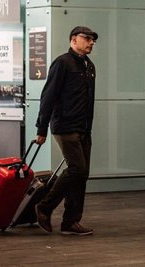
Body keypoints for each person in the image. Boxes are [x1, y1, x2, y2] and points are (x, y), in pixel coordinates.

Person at [34, 26, 98, 236]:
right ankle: (45, 206)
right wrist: (41, 127)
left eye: (93, 40)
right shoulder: (62, 63)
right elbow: (48, 96)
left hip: (83, 128)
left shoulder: (89, 66)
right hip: (64, 125)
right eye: (86, 38)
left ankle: (71, 221)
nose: (91, 42)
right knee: (77, 168)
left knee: (82, 174)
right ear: (73, 40)